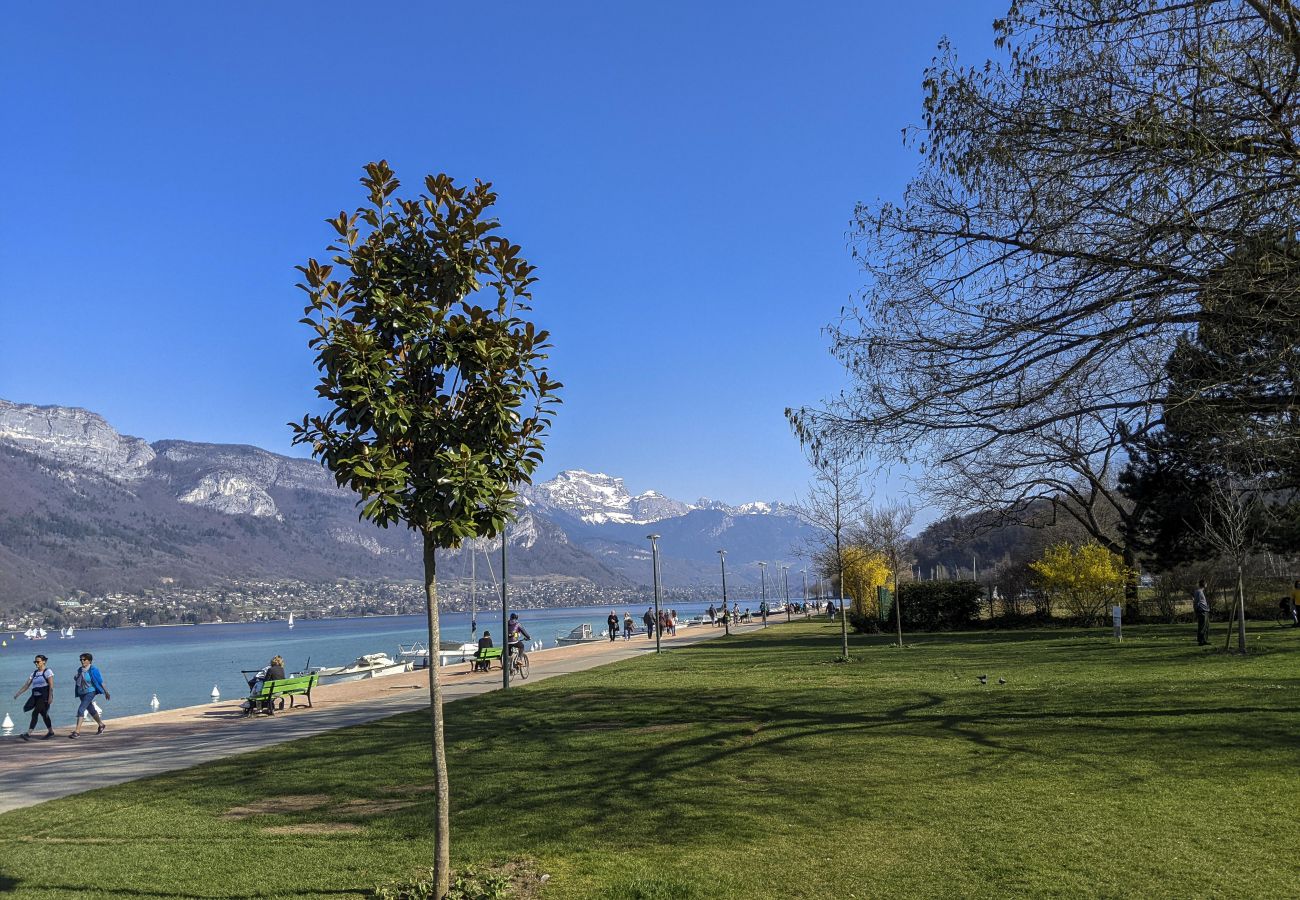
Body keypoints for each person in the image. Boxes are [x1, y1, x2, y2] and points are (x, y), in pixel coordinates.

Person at [14, 654, 55, 740]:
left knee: (35, 713)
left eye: (38, 661)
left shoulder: (48, 671)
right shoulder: (34, 673)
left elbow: (51, 685)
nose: (36, 663)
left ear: (43, 661)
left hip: (44, 697)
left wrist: (50, 697)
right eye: (35, 662)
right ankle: (51, 732)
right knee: (44, 714)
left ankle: (28, 734)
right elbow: (26, 685)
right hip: (35, 697)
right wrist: (18, 693)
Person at [70, 652, 110, 738]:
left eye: (84, 659)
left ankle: (77, 732)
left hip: (91, 691)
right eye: (81, 659)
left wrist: (106, 692)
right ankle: (101, 725)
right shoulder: (80, 669)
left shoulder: (94, 669)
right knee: (91, 709)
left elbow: (100, 681)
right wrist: (76, 677)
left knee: (81, 710)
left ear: (89, 661)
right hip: (81, 692)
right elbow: (79, 679)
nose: (82, 661)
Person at [1193, 579, 1211, 646]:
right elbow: (1196, 603)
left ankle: (1204, 640)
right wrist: (1197, 611)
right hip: (1202, 611)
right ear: (1204, 584)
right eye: (1206, 583)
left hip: (1205, 610)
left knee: (1206, 626)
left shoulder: (1201, 591)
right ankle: (1201, 641)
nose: (1207, 584)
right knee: (1202, 626)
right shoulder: (1199, 592)